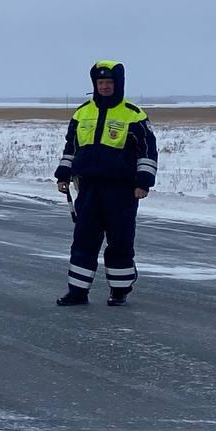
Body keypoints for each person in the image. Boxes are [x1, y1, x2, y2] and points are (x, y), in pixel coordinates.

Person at [53, 61, 157, 306]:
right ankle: (77, 292)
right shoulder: (82, 113)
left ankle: (119, 291)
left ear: (118, 84)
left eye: (109, 82)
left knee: (119, 241)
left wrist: (143, 182)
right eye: (100, 83)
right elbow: (71, 148)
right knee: (83, 241)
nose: (105, 86)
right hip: (88, 188)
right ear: (95, 85)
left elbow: (148, 152)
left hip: (121, 190)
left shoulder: (134, 114)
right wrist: (63, 175)